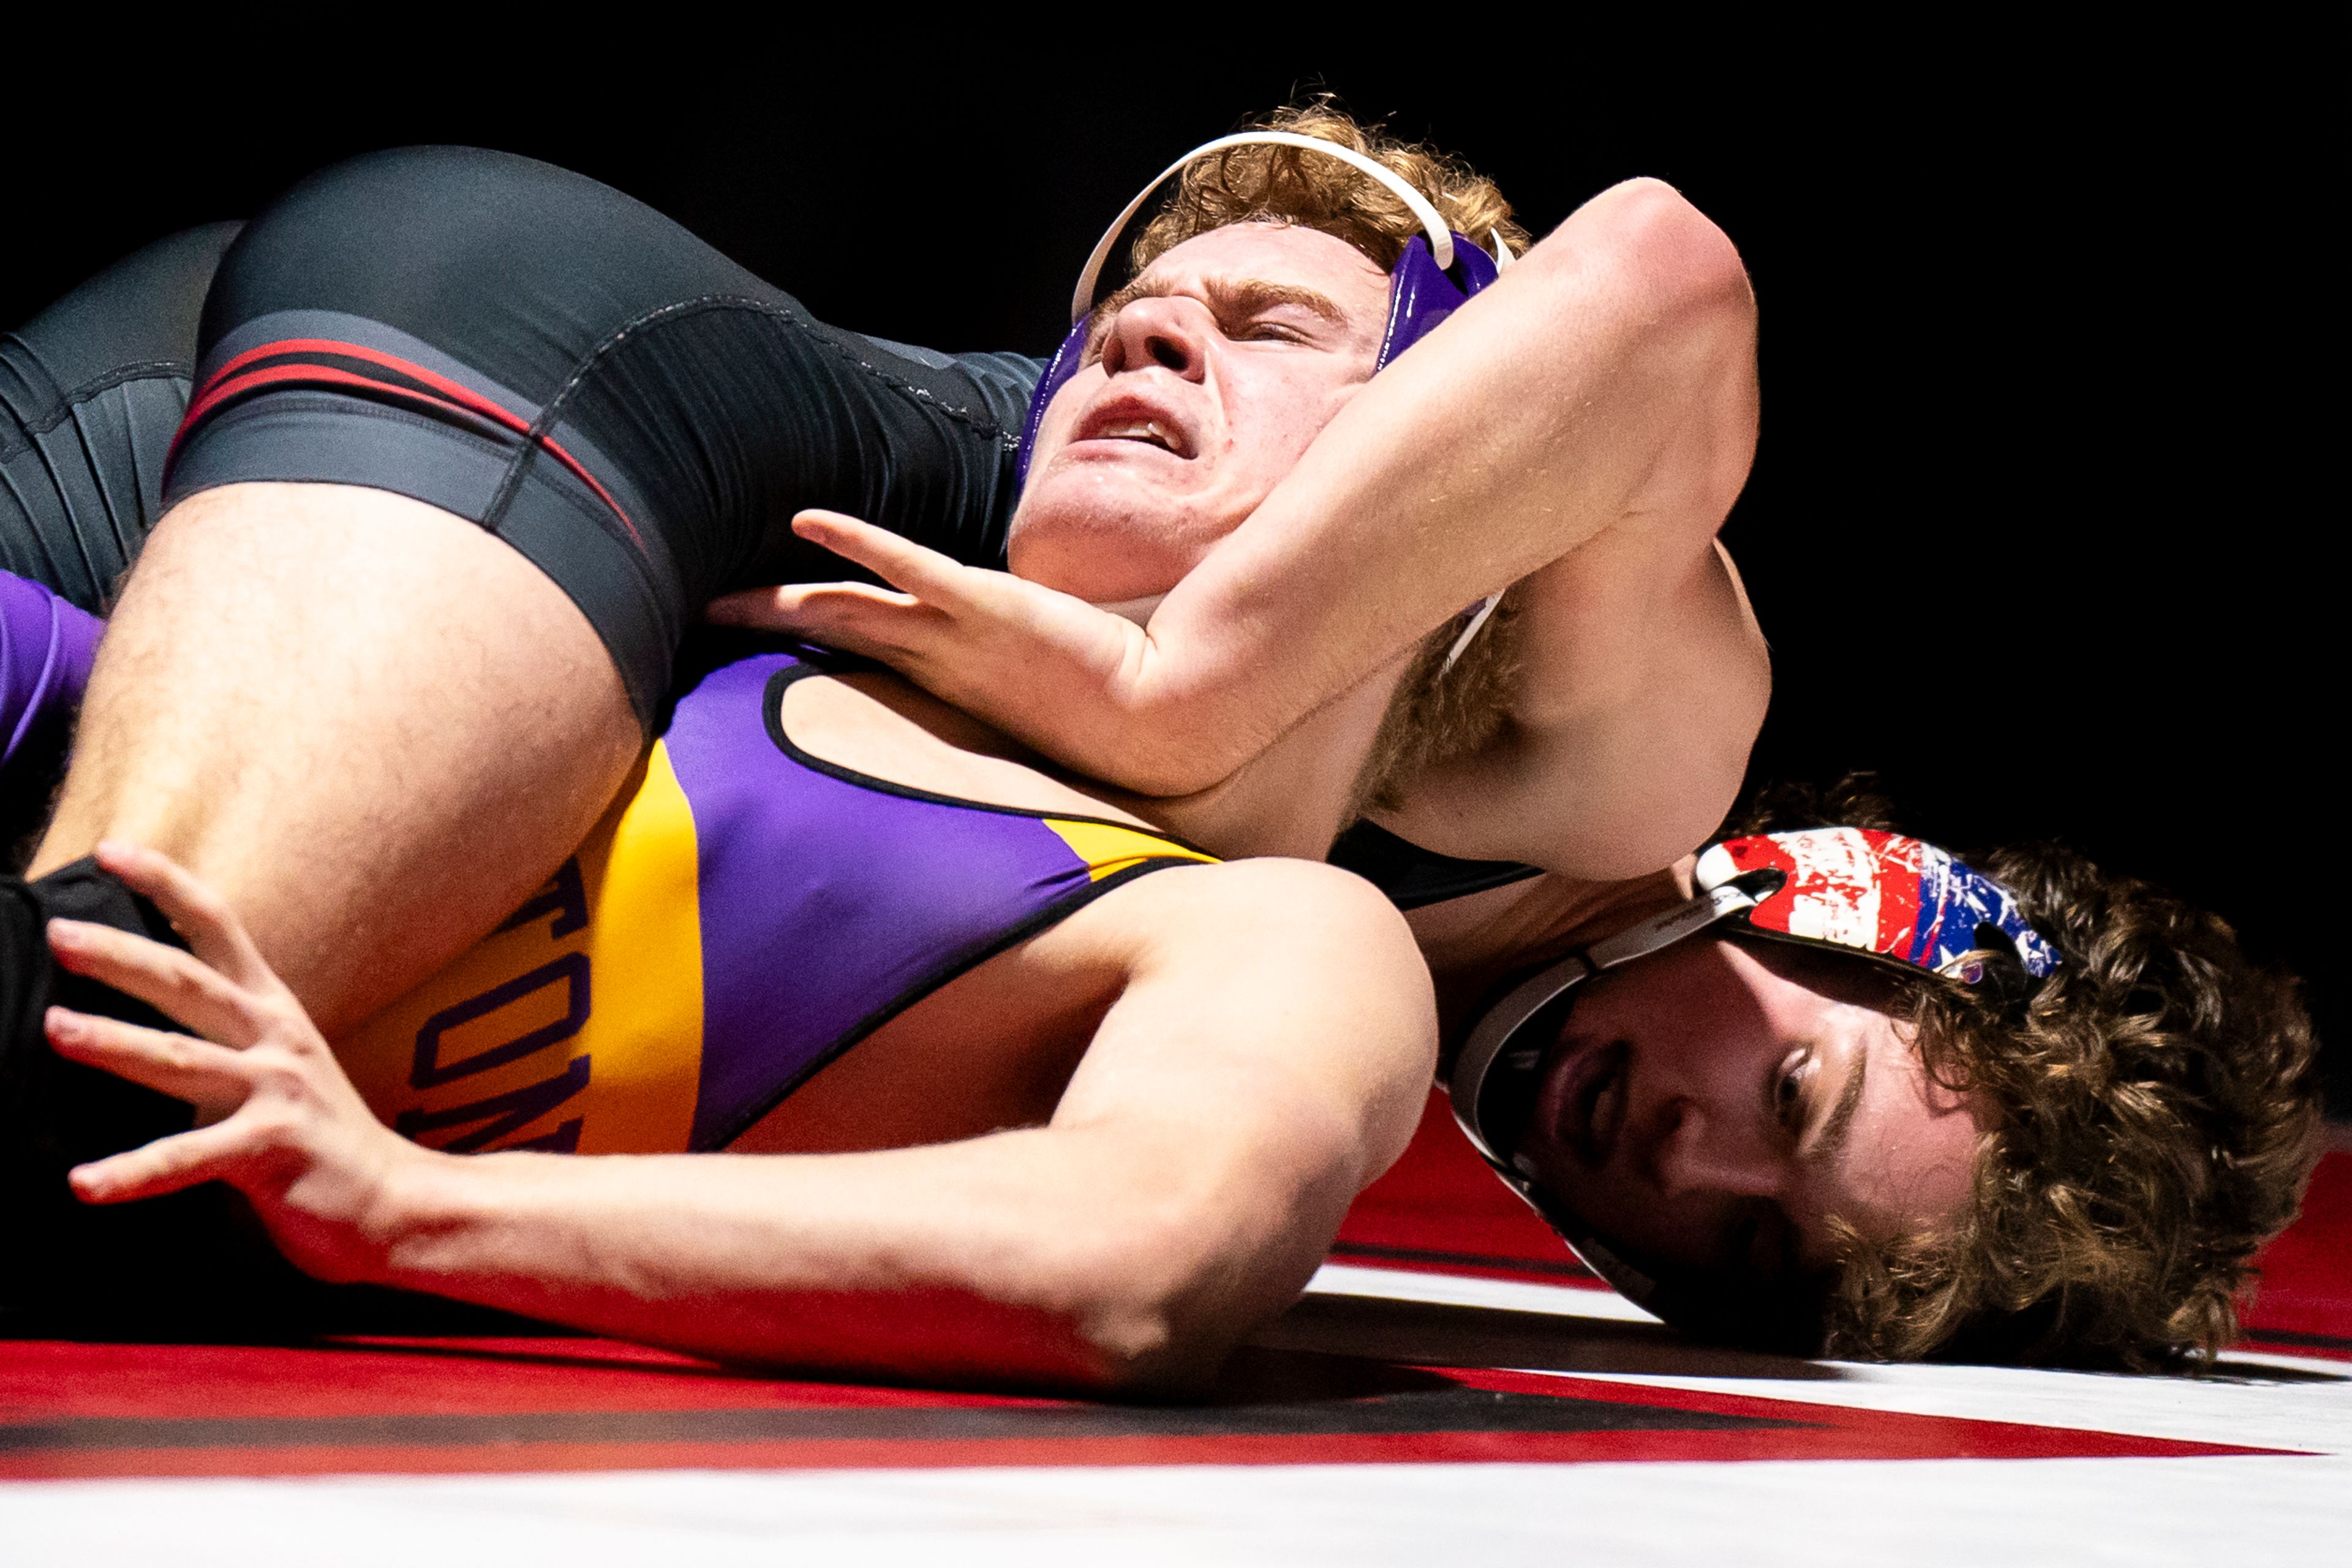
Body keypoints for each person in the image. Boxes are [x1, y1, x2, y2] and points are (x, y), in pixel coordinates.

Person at [0, 109, 2318, 1375]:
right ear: (1854, 908)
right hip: (542, 381)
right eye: (1782, 1109)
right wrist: (1182, 682)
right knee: (119, 1036)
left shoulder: (1332, 942)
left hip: (172, 536)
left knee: (120, 1049)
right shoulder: (1609, 754)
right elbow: (1668, 280)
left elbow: (1146, 1233)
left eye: (1743, 1273)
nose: (1670, 1169)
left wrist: (429, 1217)